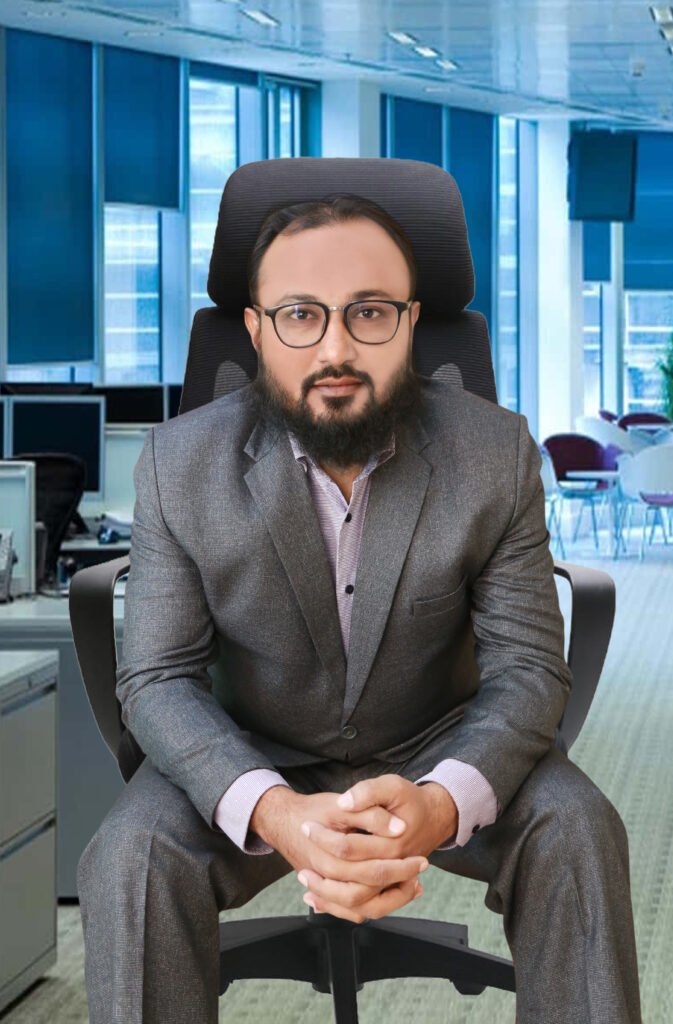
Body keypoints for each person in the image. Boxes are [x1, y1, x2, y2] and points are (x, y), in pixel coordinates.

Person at [77, 194, 642, 1023]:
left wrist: (441, 801)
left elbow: (526, 668)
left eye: (368, 313)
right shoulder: (179, 463)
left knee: (579, 830)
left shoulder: (494, 452)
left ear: (410, 322)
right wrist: (274, 809)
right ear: (257, 328)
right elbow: (159, 678)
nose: (335, 348)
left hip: (438, 736)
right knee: (129, 855)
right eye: (300, 315)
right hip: (253, 742)